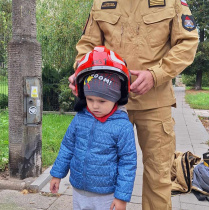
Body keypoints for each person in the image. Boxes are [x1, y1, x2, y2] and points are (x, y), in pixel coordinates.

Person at [69, 1, 199, 209]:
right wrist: (81, 72)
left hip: (155, 103)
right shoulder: (102, 2)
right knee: (101, 170)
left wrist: (156, 75)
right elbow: (88, 45)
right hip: (110, 104)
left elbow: (188, 42)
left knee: (158, 177)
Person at [50, 47, 137, 210]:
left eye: (102, 101)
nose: (95, 106)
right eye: (90, 99)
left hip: (106, 196)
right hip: (79, 191)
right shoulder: (80, 118)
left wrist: (121, 197)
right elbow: (67, 147)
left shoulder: (122, 126)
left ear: (116, 97)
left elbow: (128, 163)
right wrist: (57, 174)